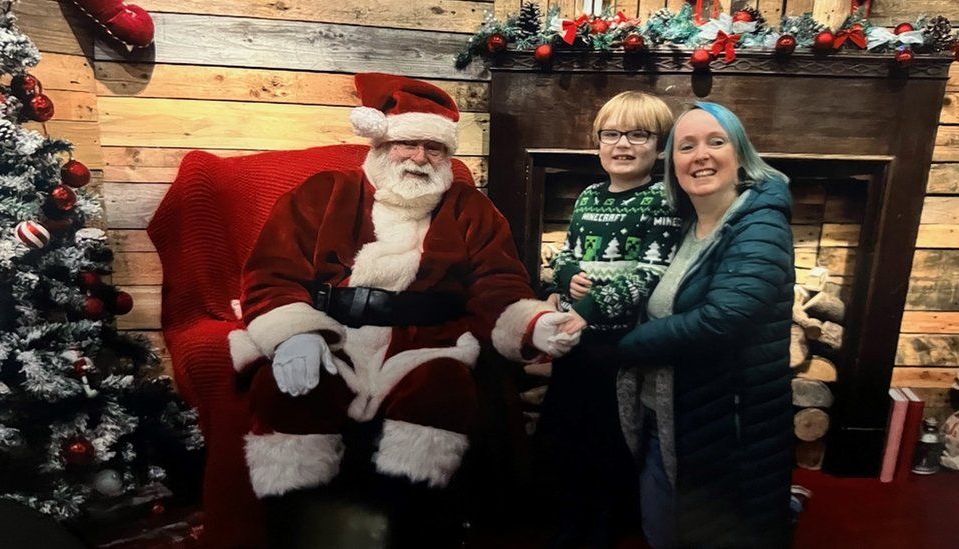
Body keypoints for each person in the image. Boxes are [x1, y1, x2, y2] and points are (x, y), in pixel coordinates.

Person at [227, 73, 581, 546]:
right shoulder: (322, 192)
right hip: (333, 334)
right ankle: (298, 529)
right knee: (285, 393)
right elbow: (271, 273)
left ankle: (412, 530)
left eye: (433, 148)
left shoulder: (469, 208)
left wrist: (536, 324)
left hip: (428, 343)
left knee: (442, 391)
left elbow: (497, 284)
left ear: (447, 156)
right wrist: (295, 333)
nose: (419, 158)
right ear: (381, 143)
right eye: (407, 143)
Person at [616, 101, 794, 548]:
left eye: (717, 142)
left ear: (740, 154)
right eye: (686, 146)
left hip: (727, 419)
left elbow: (724, 318)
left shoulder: (759, 223)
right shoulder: (689, 225)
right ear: (672, 162)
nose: (701, 155)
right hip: (674, 412)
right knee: (665, 526)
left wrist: (628, 345)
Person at [544, 91, 680, 548]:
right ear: (598, 142)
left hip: (620, 347)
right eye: (612, 134)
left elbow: (650, 273)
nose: (623, 144)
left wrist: (586, 311)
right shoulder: (588, 196)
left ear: (659, 146)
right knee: (567, 431)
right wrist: (567, 277)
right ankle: (567, 517)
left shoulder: (661, 200)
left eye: (638, 134)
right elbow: (566, 253)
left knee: (609, 439)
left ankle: (602, 526)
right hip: (577, 342)